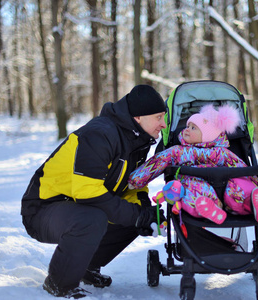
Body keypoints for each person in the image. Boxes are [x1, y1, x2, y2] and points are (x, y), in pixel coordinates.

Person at [21, 85, 167, 298]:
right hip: (44, 208)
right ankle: (59, 283)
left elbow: (133, 184)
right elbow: (87, 191)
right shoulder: (100, 134)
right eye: (158, 117)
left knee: (134, 215)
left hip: (80, 206)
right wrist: (137, 216)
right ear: (138, 118)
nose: (163, 124)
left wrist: (145, 211)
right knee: (94, 218)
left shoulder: (137, 141)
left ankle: (86, 267)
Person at [128, 104, 258, 225]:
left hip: (225, 188)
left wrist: (256, 184)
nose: (187, 129)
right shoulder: (179, 151)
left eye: (193, 128)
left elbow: (242, 170)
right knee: (193, 190)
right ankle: (209, 209)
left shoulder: (222, 153)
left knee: (239, 185)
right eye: (188, 125)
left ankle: (251, 201)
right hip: (198, 185)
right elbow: (158, 161)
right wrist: (137, 179)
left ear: (207, 135)